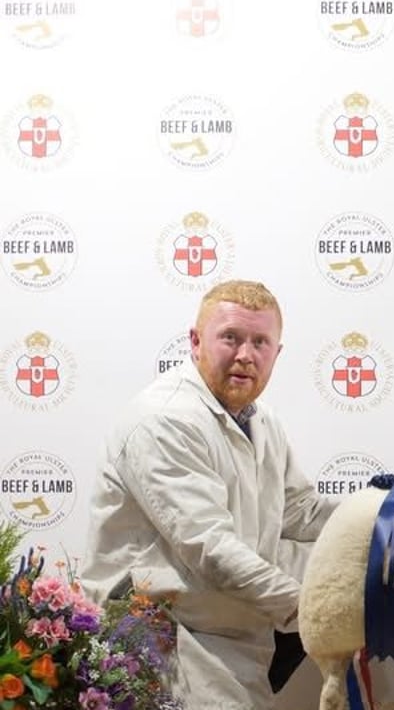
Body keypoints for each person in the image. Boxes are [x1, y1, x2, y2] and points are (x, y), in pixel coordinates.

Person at [81, 280, 338, 710]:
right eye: (231, 338)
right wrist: (316, 609)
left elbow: (301, 513)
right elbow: (211, 548)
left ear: (277, 353)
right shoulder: (164, 419)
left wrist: (390, 518)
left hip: (233, 639)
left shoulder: (262, 420)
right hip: (163, 643)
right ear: (196, 341)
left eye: (260, 342)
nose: (245, 355)